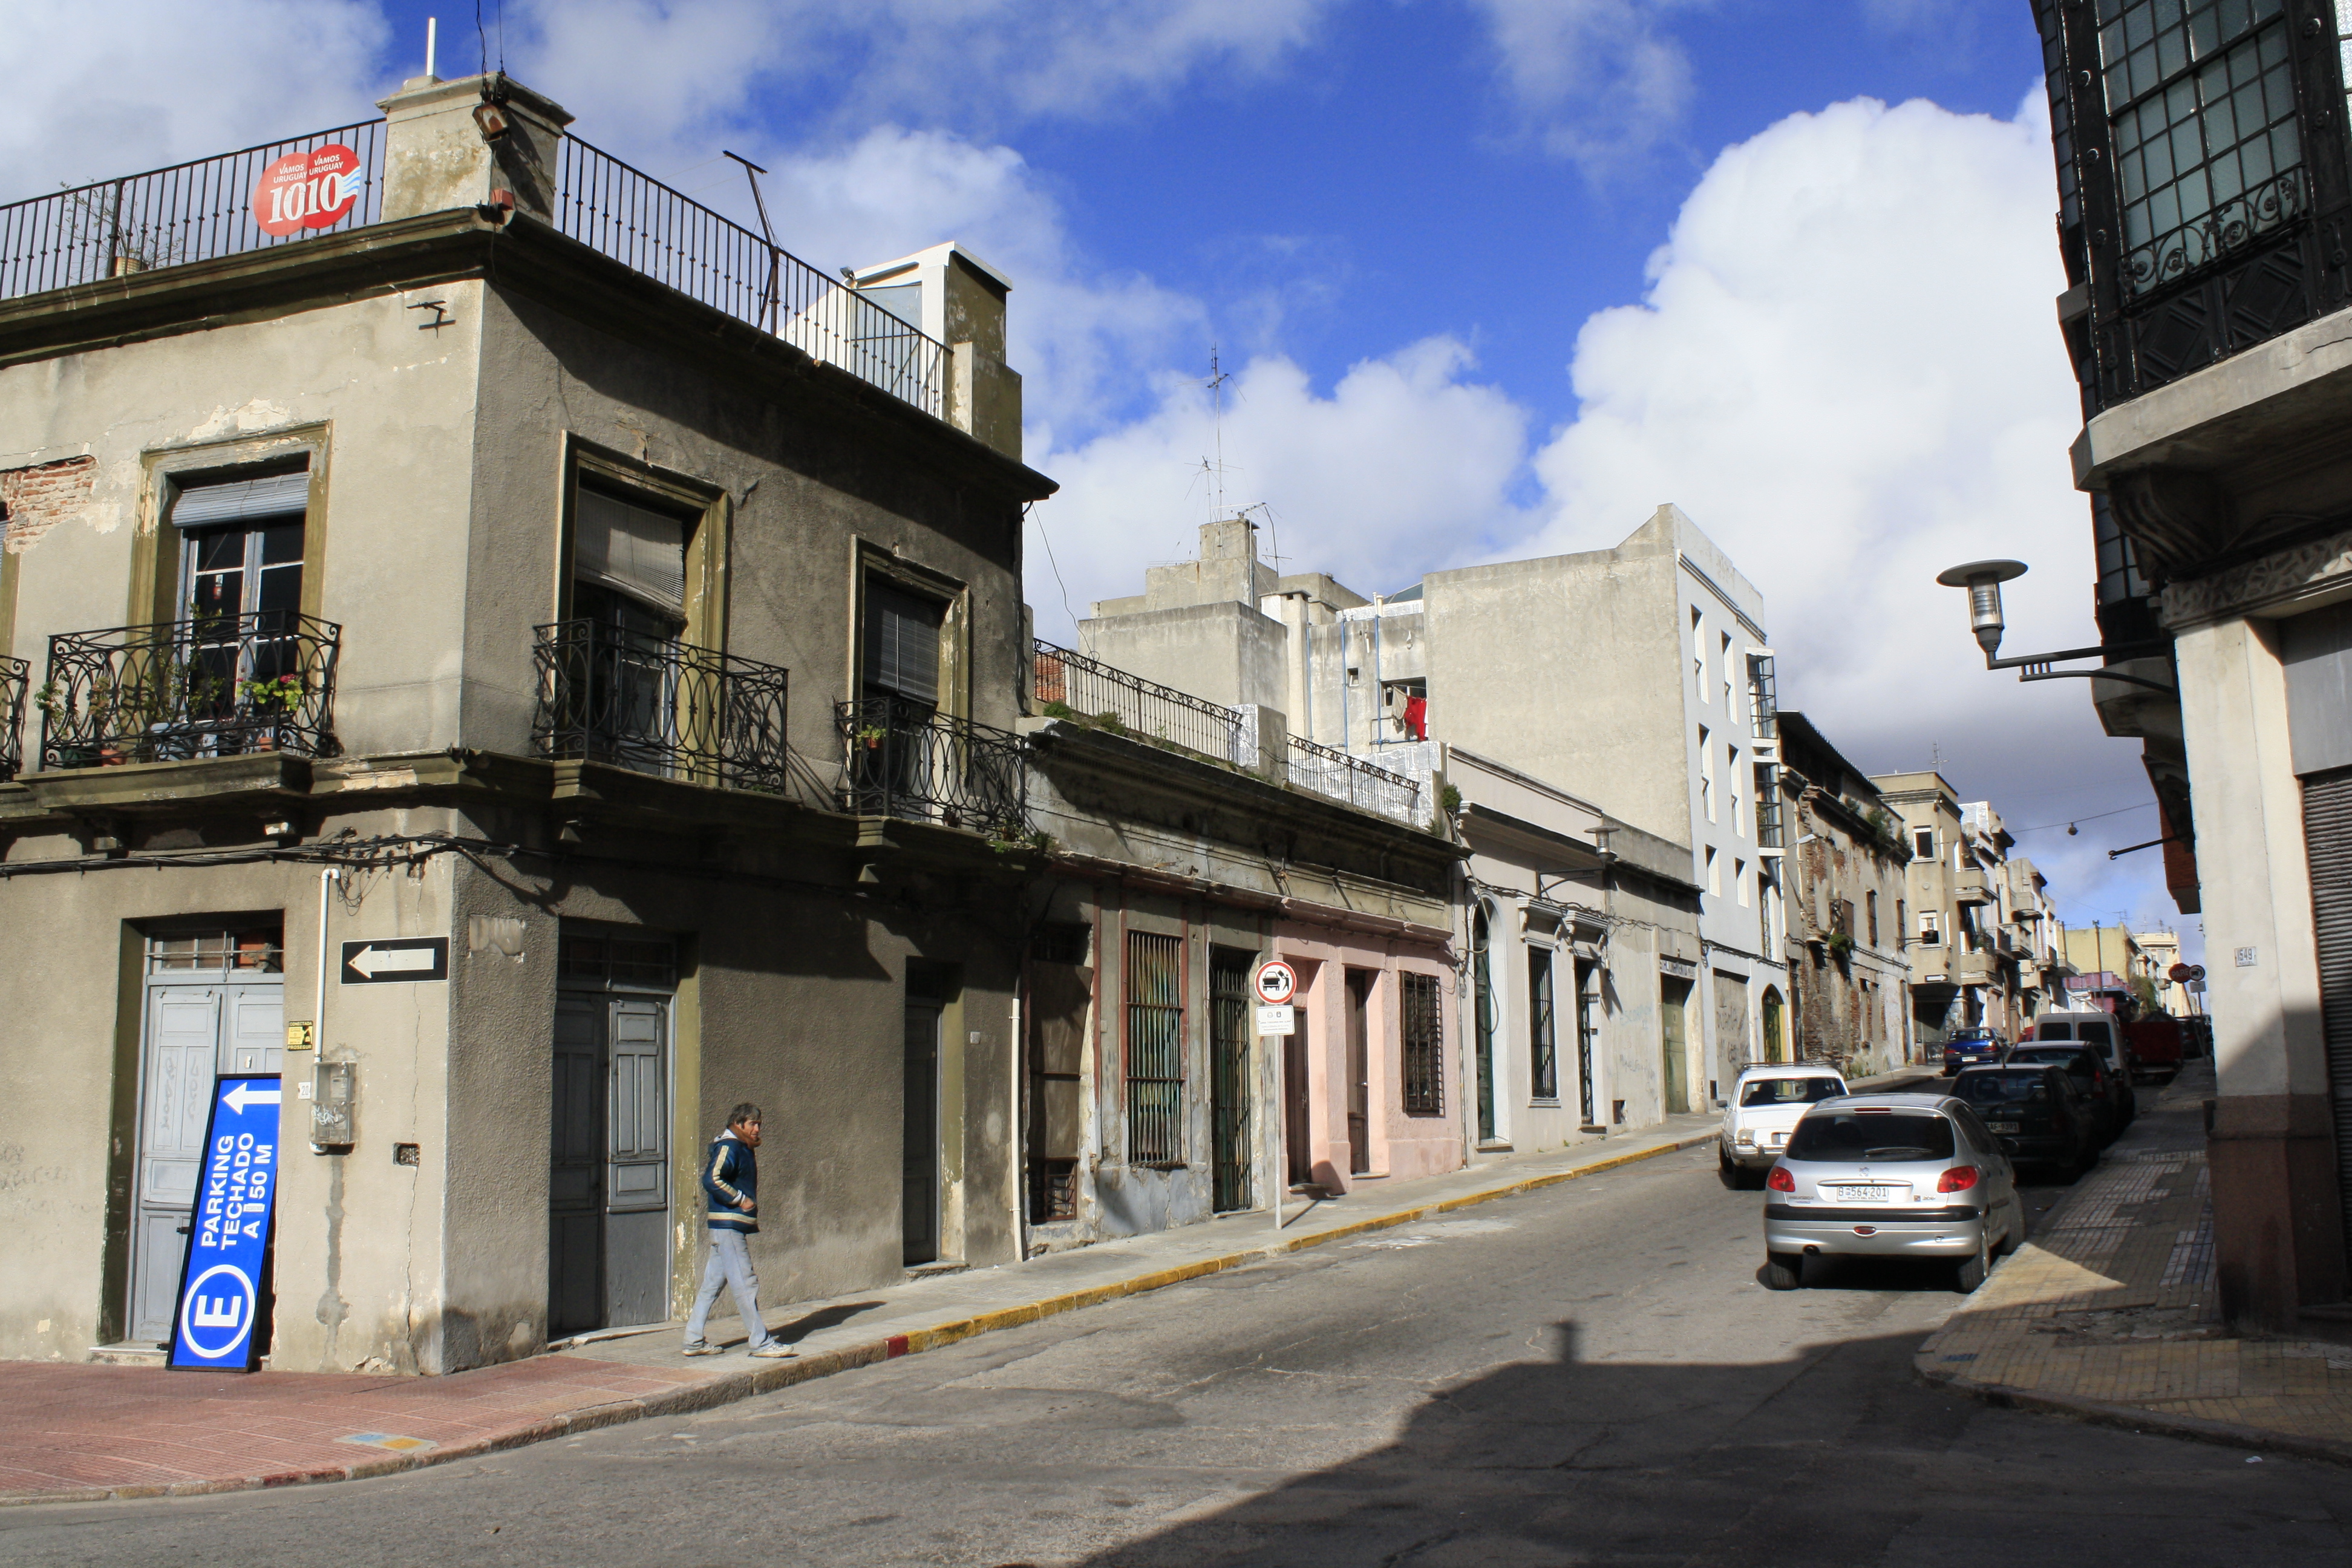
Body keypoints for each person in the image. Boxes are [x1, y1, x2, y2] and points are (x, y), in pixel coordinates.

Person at [682, 1102, 794, 1358]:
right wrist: (741, 1199)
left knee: (711, 1286)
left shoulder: (740, 1146)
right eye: (753, 1124)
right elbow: (712, 1179)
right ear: (739, 1124)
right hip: (729, 1226)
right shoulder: (730, 1146)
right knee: (746, 1283)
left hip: (727, 1227)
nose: (757, 1129)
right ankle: (761, 1343)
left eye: (759, 1124)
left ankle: (693, 1340)